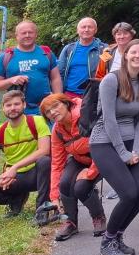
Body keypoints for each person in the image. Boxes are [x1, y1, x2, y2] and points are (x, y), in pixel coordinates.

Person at [89, 38, 139, 255]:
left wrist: (136, 149)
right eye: (134, 52)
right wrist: (123, 153)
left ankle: (117, 236)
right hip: (104, 142)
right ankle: (107, 242)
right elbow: (109, 119)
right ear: (125, 55)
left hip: (130, 142)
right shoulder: (111, 80)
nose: (137, 56)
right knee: (128, 194)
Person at [0, 88, 55, 223]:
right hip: (14, 179)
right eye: (8, 105)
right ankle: (16, 199)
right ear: (3, 108)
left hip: (37, 174)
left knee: (45, 161)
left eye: (16, 104)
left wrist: (15, 167)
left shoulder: (37, 121)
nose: (13, 108)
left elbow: (44, 150)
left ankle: (42, 209)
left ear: (24, 105)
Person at [40, 92, 106, 241]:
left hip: (101, 156)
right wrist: (54, 197)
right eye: (48, 112)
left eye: (55, 106)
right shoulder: (57, 130)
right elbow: (57, 163)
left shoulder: (85, 116)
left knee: (81, 187)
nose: (52, 112)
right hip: (79, 159)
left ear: (66, 103)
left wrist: (90, 173)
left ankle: (98, 217)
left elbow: (102, 145)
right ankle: (70, 222)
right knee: (64, 183)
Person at [0, 20, 62, 115]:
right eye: (23, 33)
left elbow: (55, 78)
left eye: (30, 32)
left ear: (36, 34)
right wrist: (11, 80)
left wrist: (58, 99)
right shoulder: (6, 56)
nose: (27, 35)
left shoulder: (46, 53)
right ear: (17, 36)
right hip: (19, 111)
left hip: (46, 108)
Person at [57, 17, 105, 97]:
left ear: (95, 30)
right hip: (70, 95)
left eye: (90, 27)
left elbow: (109, 71)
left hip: (94, 96)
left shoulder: (104, 49)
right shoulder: (68, 49)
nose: (86, 30)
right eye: (83, 27)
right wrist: (59, 95)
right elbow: (60, 73)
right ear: (77, 30)